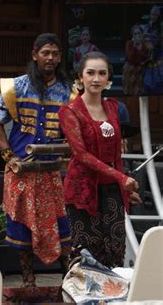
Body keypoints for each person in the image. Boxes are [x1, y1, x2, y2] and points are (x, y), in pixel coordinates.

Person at [0, 33, 75, 287]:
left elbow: (75, 130)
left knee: (62, 225)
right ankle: (28, 281)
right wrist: (9, 157)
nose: (50, 58)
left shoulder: (68, 91)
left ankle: (68, 280)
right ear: (34, 54)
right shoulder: (15, 87)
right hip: (21, 171)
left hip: (53, 172)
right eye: (45, 53)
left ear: (60, 58)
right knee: (21, 225)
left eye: (55, 53)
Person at [58, 51, 142, 268]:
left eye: (102, 73)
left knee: (115, 252)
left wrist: (125, 188)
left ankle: (111, 301)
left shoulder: (114, 107)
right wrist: (121, 178)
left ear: (108, 79)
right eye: (91, 73)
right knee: (86, 256)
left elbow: (116, 154)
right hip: (83, 191)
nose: (96, 78)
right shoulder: (69, 111)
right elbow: (81, 155)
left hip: (112, 190)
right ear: (80, 77)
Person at [122, 24, 149, 96]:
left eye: (139, 33)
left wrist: (140, 47)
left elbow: (145, 57)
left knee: (139, 92)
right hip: (130, 70)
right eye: (135, 34)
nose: (137, 35)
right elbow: (130, 58)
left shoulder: (145, 44)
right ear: (132, 35)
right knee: (129, 92)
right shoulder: (129, 43)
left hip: (140, 71)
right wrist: (134, 46)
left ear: (142, 34)